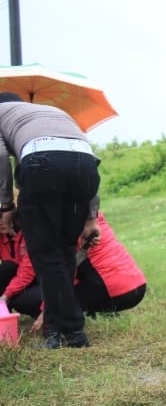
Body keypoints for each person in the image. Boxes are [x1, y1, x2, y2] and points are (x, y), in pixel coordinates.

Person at [0, 93, 101, 349]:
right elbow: (87, 159)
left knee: (44, 254)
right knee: (65, 251)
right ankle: (55, 331)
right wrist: (91, 217)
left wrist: (7, 205)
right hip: (85, 167)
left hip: (42, 164)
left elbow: (1, 159)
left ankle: (73, 331)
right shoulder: (52, 112)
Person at [2, 211, 146, 325]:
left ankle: (73, 322)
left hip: (111, 287)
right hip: (136, 284)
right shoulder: (88, 213)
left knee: (28, 301)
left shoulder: (57, 223)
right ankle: (96, 310)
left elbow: (66, 271)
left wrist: (48, 310)